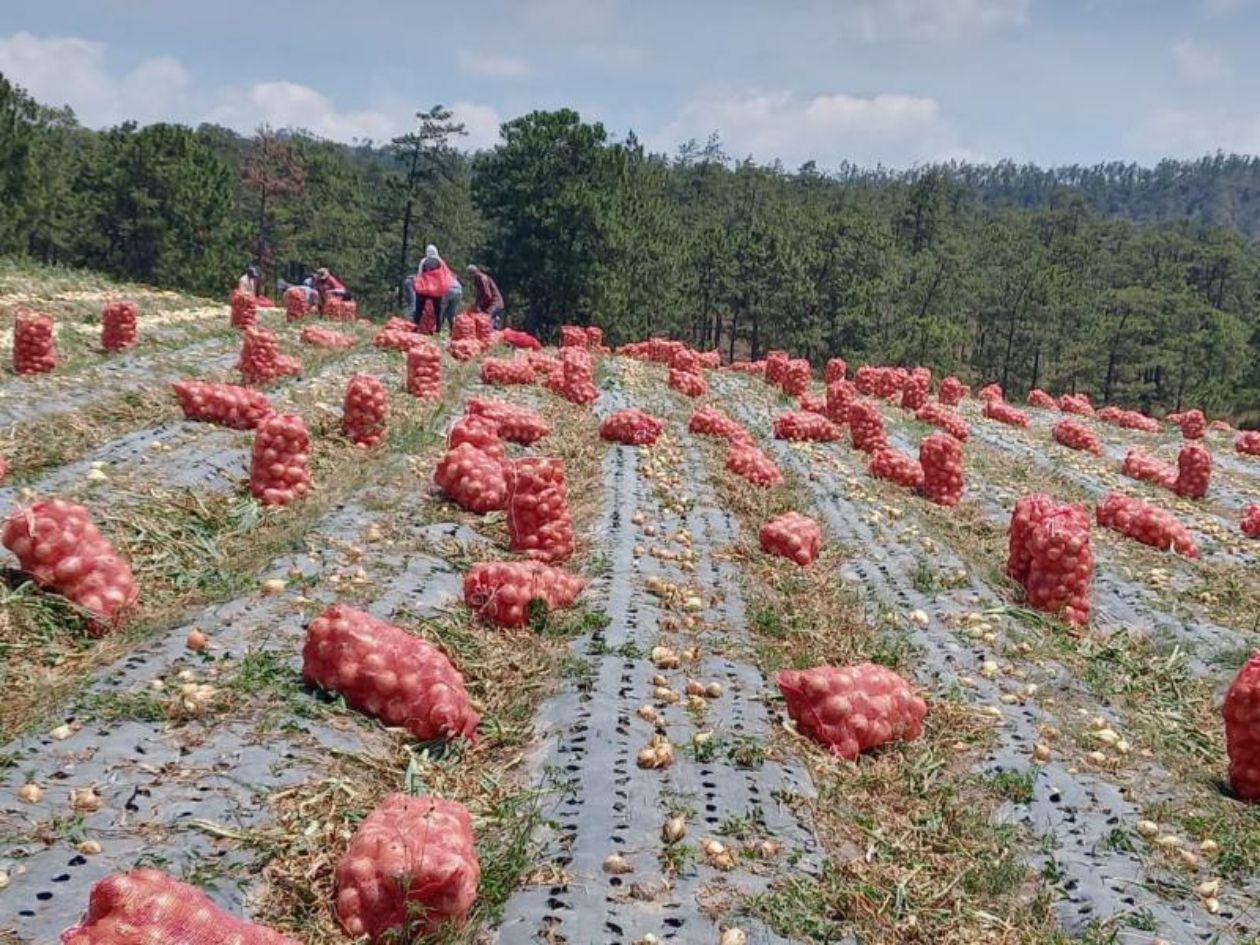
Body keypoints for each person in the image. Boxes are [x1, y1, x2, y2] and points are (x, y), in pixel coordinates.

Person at [411, 245, 462, 331]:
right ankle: (438, 329)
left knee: (419, 309)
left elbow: (419, 274)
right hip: (436, 290)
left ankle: (415, 328)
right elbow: (446, 275)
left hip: (424, 289)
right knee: (438, 310)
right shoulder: (440, 261)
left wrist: (417, 285)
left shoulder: (423, 261)